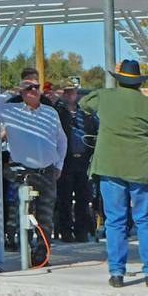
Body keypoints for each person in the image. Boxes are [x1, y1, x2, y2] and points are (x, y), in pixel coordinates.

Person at [80, 60, 148, 288]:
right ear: (138, 82)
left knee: (115, 221)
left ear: (119, 79)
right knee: (145, 220)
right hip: (141, 167)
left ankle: (117, 273)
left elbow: (83, 104)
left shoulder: (104, 97)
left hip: (110, 166)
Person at [0, 71, 67, 265]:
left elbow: (61, 140)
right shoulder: (11, 110)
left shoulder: (50, 112)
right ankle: (23, 250)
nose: (33, 91)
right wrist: (12, 91)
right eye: (28, 88)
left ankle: (41, 256)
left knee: (46, 216)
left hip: (47, 170)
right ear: (22, 92)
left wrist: (59, 164)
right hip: (24, 170)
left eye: (36, 87)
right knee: (23, 213)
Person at [55, 83, 96, 242]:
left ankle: (82, 231)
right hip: (66, 160)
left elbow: (93, 131)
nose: (69, 95)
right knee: (64, 198)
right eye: (66, 92)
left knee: (83, 198)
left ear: (77, 93)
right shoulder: (58, 112)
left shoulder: (85, 113)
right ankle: (66, 231)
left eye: (71, 92)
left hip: (83, 160)